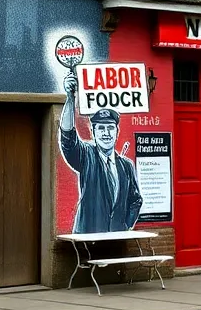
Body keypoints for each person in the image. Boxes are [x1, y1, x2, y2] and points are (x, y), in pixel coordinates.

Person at [59, 73, 142, 232]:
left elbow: (135, 200)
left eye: (110, 128)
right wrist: (70, 97)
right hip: (88, 240)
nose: (106, 133)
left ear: (117, 131)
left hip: (115, 240)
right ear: (93, 132)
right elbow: (68, 139)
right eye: (101, 128)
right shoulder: (86, 155)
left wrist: (126, 225)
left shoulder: (126, 166)